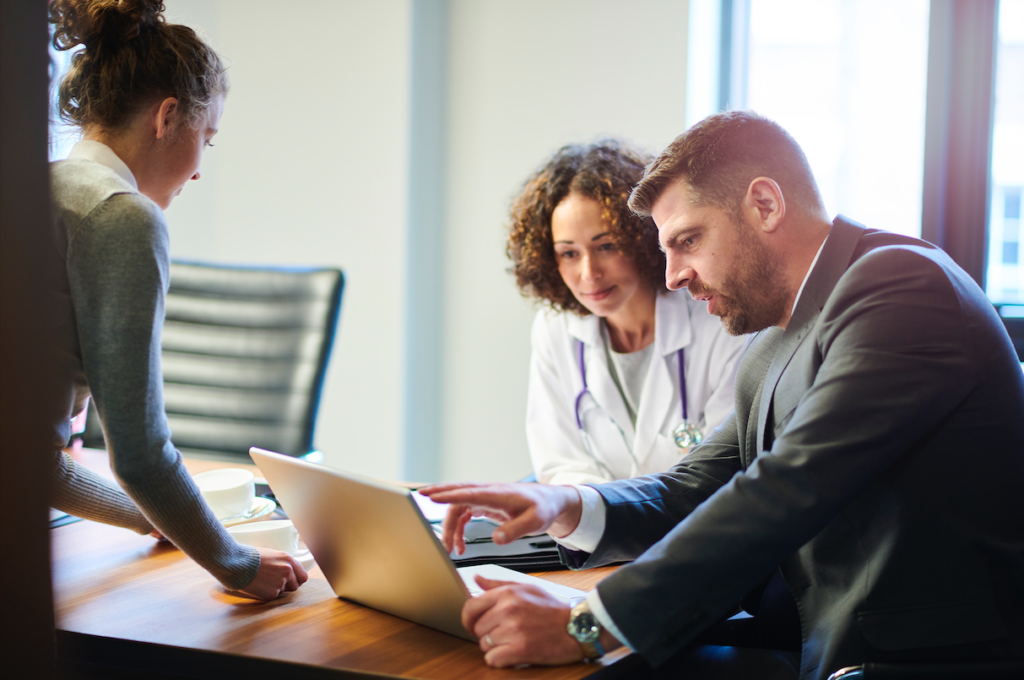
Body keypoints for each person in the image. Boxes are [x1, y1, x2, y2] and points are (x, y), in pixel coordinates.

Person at [421, 111, 1024, 677]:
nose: (673, 276)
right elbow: (694, 486)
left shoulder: (902, 287)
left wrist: (588, 626)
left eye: (687, 241)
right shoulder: (775, 339)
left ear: (764, 204)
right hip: (815, 641)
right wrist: (565, 505)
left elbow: (787, 488)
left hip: (923, 662)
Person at [47, 0, 306, 600]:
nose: (195, 173)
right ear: (167, 118)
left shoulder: (41, 187)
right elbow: (137, 454)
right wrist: (237, 562)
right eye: (206, 139)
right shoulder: (119, 216)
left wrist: (157, 518)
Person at [507, 140, 745, 484]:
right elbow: (560, 467)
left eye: (606, 246)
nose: (589, 274)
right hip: (592, 534)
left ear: (642, 238)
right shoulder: (556, 327)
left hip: (698, 530)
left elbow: (720, 472)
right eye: (569, 253)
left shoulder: (715, 315)